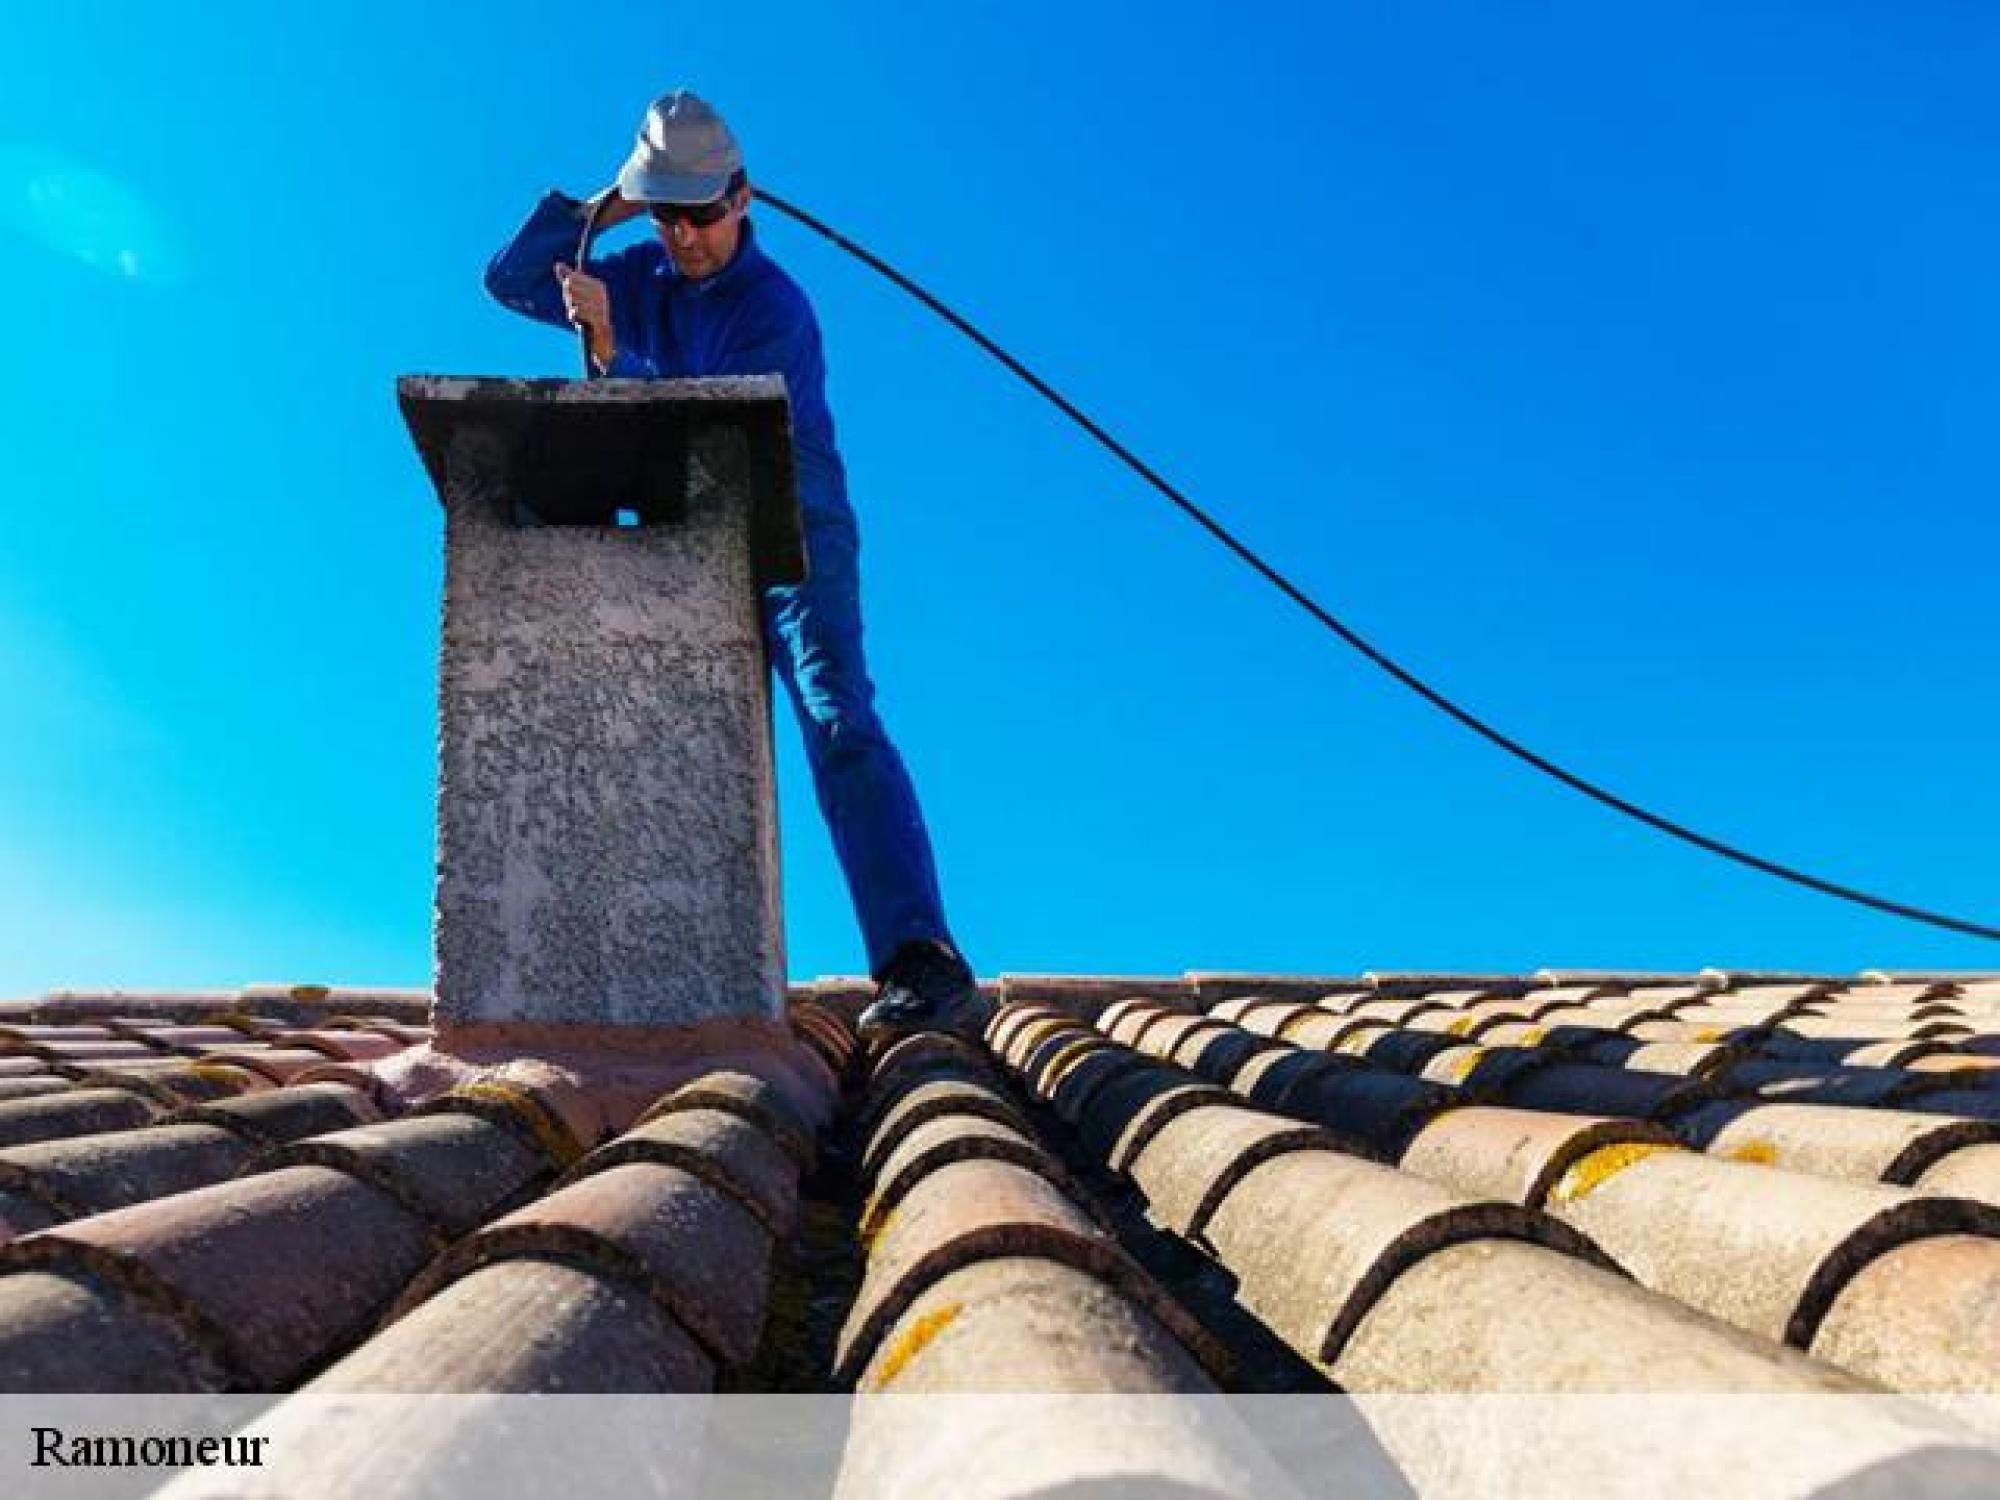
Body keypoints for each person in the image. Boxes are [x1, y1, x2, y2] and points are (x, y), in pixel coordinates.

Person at [484, 89, 983, 1037]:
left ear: (743, 199)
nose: (688, 236)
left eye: (703, 212)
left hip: (792, 528)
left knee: (836, 714)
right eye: (670, 214)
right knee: (661, 725)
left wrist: (610, 344)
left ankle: (922, 957)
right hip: (691, 527)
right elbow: (511, 279)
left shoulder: (774, 307)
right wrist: (608, 207)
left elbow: (713, 418)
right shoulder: (639, 269)